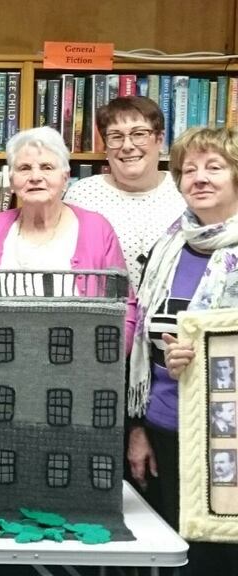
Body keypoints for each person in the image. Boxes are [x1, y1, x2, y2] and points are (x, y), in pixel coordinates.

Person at [129, 127, 238, 572]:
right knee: (171, 557)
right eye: (188, 169)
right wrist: (138, 428)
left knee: (219, 559)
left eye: (215, 167)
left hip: (226, 440)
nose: (200, 178)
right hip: (165, 429)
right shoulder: (168, 247)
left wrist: (209, 361)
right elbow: (142, 341)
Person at [0, 127, 135, 336]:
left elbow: (125, 309)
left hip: (78, 364)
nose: (35, 177)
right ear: (12, 179)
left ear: (65, 177)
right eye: (24, 168)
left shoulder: (97, 229)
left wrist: (104, 362)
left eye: (47, 167)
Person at [63, 96, 186, 288]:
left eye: (139, 134)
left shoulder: (185, 189)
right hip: (105, 314)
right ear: (106, 146)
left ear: (160, 140)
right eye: (116, 137)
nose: (127, 146)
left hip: (174, 313)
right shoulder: (82, 195)